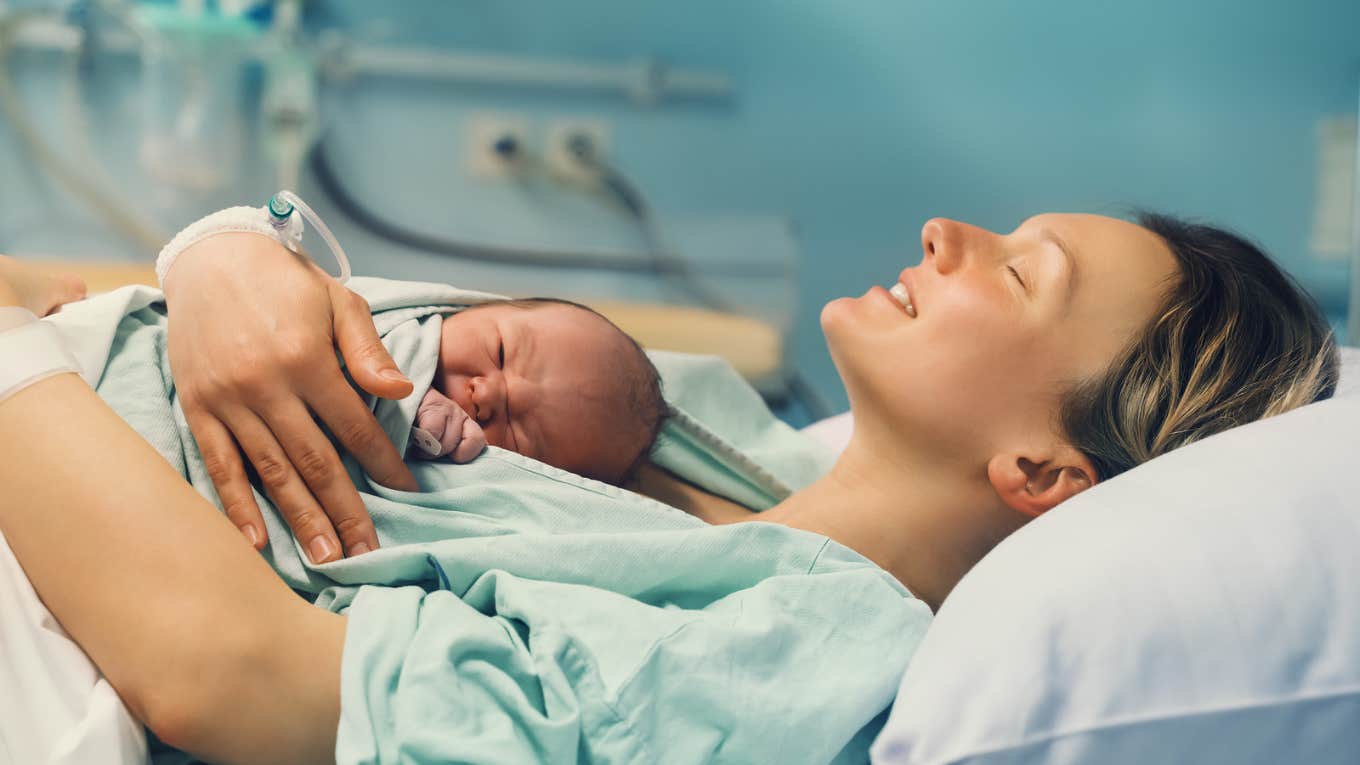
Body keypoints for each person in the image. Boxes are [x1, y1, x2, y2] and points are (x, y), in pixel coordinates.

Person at [0, 210, 1338, 764]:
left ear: (1043, 471)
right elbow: (342, 318)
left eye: (1018, 272)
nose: (949, 232)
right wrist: (223, 252)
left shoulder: (795, 653)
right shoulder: (705, 425)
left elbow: (233, 677)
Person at [407, 296, 667, 488]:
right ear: (472, 307)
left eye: (521, 437)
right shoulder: (395, 322)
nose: (485, 395)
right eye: (500, 352)